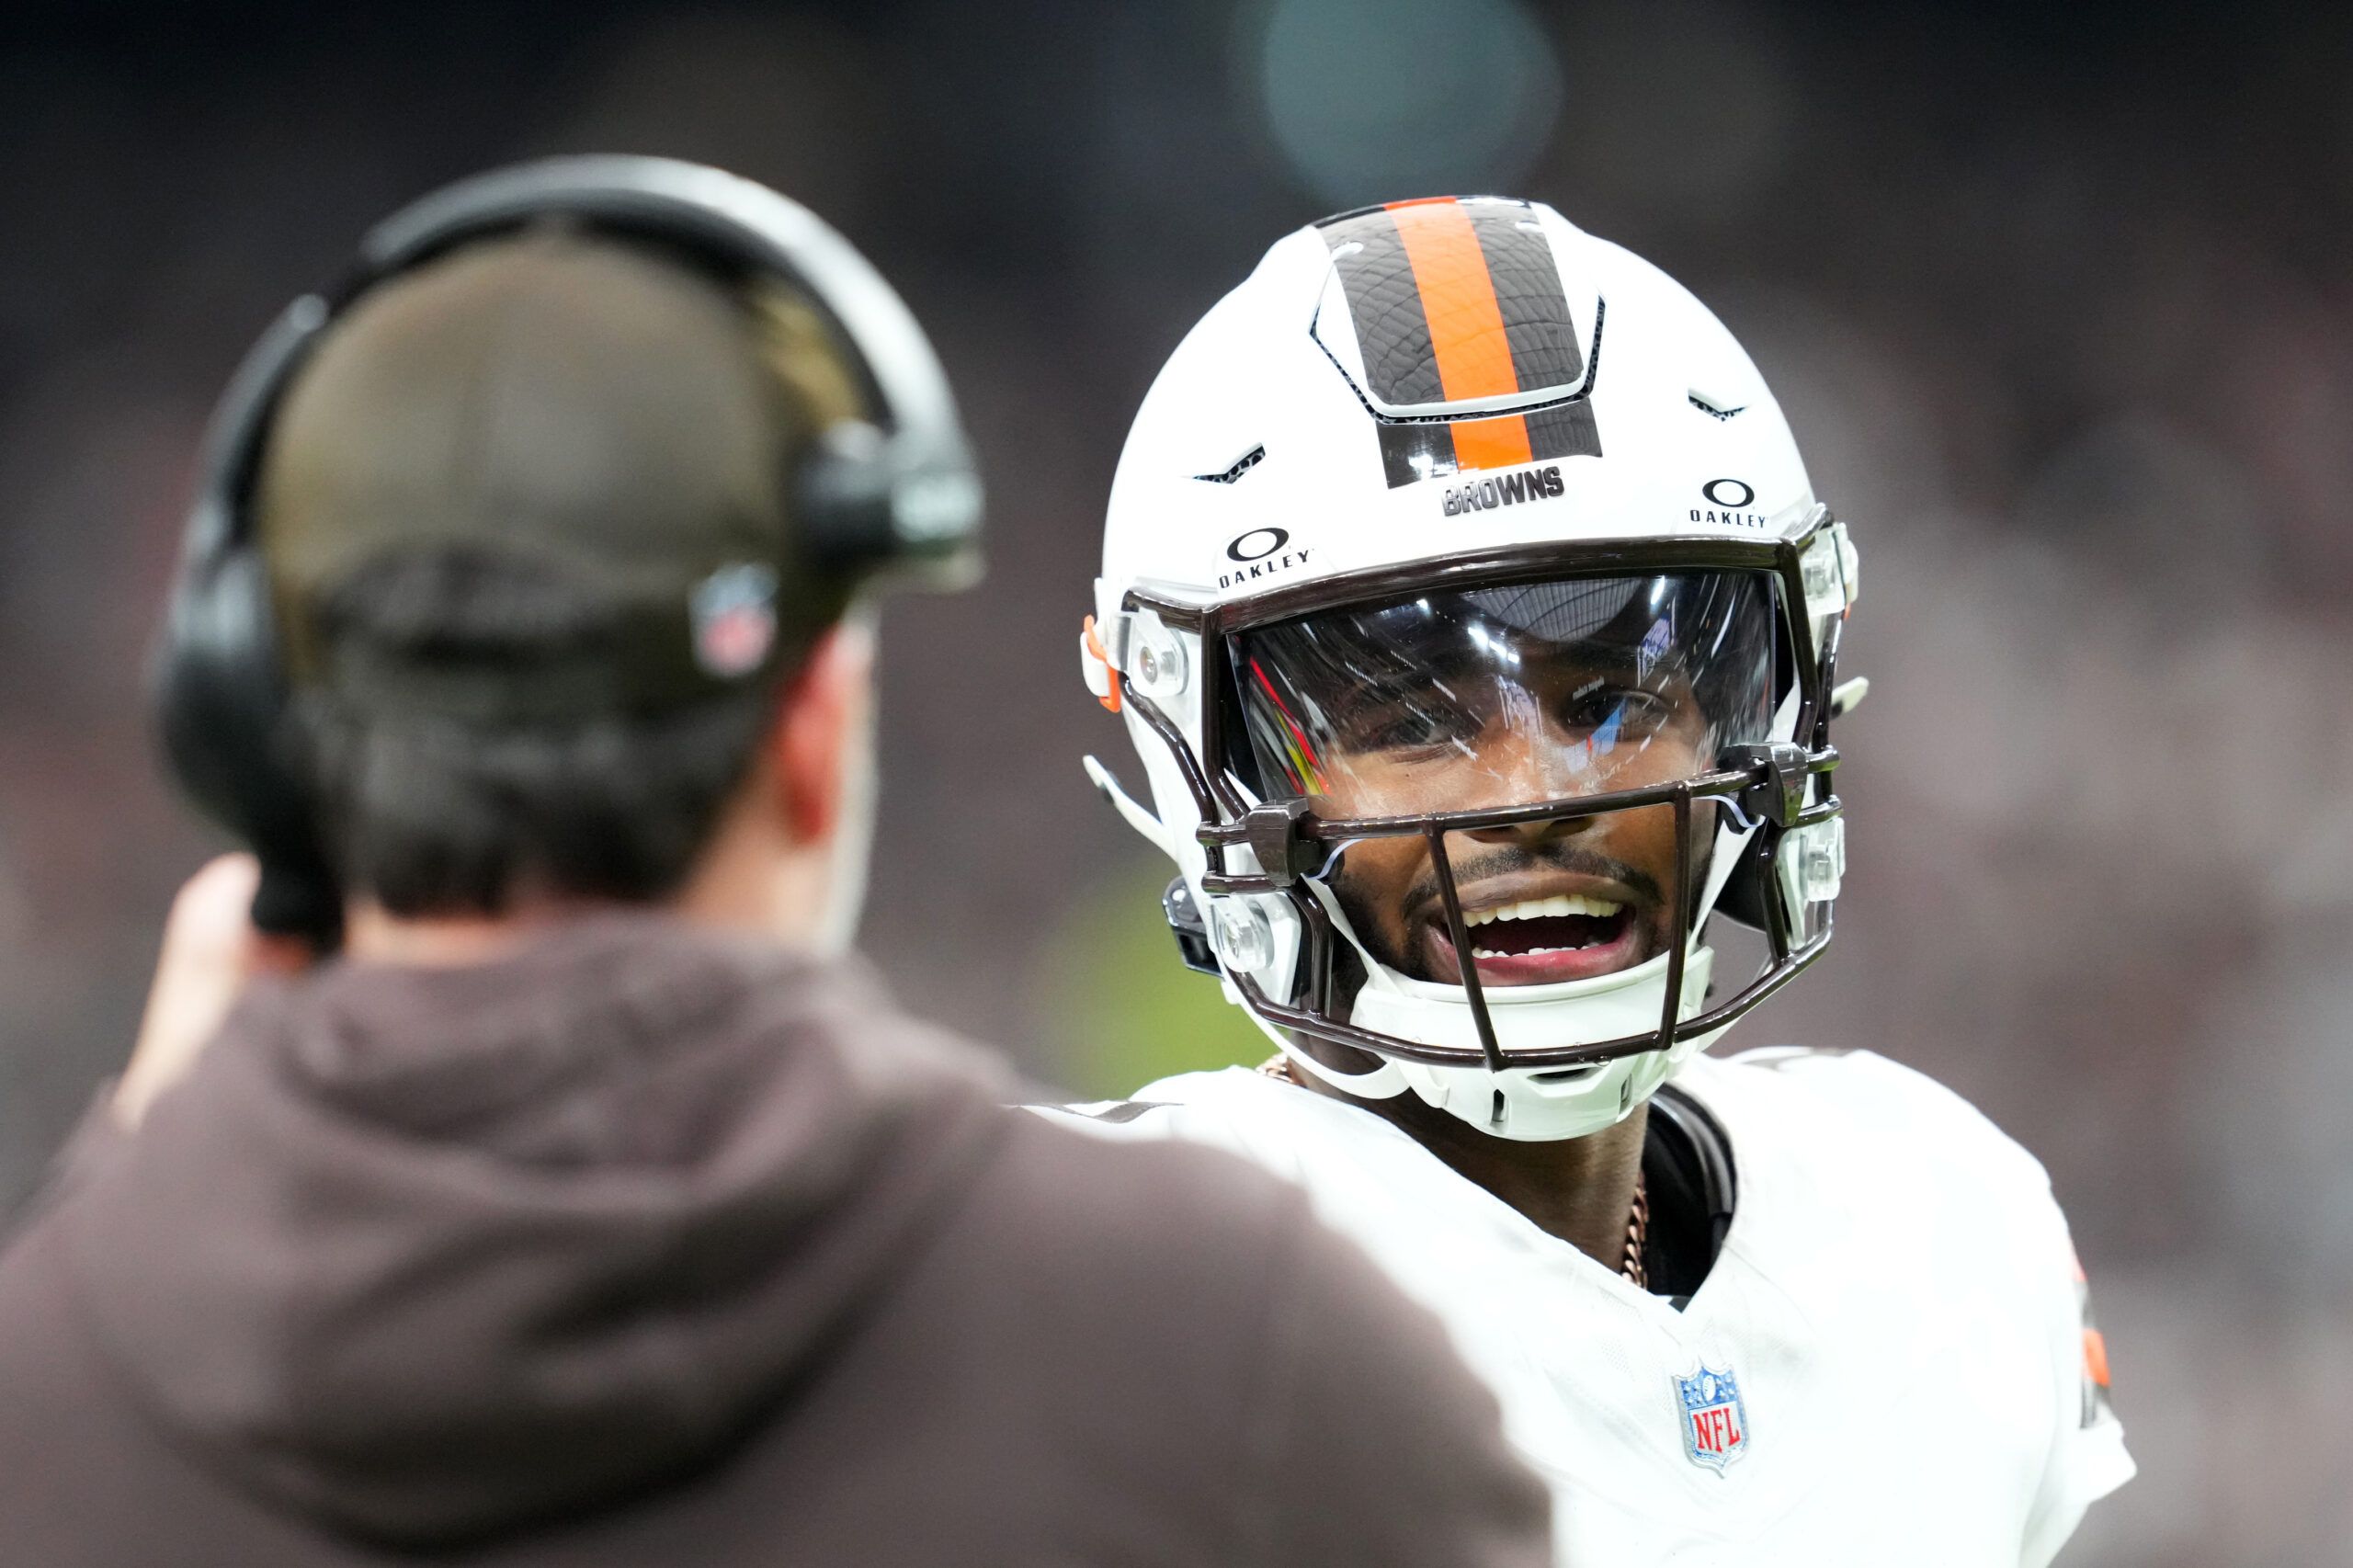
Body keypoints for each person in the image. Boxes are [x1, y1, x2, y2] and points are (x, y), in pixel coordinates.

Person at [0, 160, 1552, 1568]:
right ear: (814, 729)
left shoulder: (50, 1402)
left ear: (251, 732)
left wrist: (120, 1205)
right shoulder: (1246, 1354)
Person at [1054, 194, 2132, 1564]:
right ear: (1195, 742)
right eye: (1407, 720)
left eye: (1615, 691)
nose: (1540, 791)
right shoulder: (1097, 1302)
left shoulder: (1941, 1224)